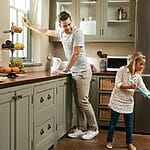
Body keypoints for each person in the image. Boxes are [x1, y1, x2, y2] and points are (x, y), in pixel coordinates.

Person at [23, 11, 99, 140]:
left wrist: (65, 69)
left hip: (83, 71)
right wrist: (30, 26)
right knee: (78, 102)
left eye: (69, 24)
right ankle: (81, 128)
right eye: (64, 25)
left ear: (71, 21)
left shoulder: (78, 33)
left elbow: (76, 53)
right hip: (74, 71)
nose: (68, 27)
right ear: (60, 25)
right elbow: (45, 30)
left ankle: (93, 128)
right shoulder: (61, 33)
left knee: (83, 101)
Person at [106, 51, 150, 150]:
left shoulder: (137, 77)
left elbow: (143, 88)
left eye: (143, 64)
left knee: (129, 125)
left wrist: (148, 95)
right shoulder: (122, 70)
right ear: (134, 62)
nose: (142, 67)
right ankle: (109, 141)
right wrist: (130, 86)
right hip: (117, 99)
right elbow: (118, 84)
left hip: (128, 102)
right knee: (113, 122)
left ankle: (129, 143)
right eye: (141, 64)